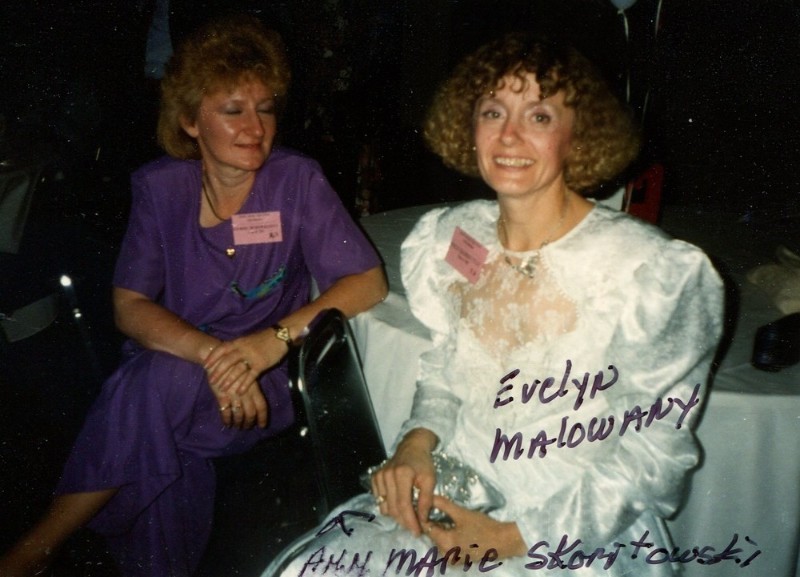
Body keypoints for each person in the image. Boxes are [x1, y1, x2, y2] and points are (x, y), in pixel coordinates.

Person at [268, 33, 723, 577]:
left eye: (539, 116)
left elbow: (654, 458)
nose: (508, 135)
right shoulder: (452, 235)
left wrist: (508, 538)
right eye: (493, 112)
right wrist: (417, 442)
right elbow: (448, 372)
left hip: (572, 528)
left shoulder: (647, 271)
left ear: (578, 135)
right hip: (457, 488)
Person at [0, 14, 387, 577]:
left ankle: (37, 549)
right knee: (166, 414)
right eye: (233, 111)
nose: (255, 127)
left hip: (261, 386)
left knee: (153, 393)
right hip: (185, 363)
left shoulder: (296, 181)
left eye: (265, 109)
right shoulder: (160, 189)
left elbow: (367, 280)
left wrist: (268, 344)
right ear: (189, 122)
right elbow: (129, 305)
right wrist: (214, 359)